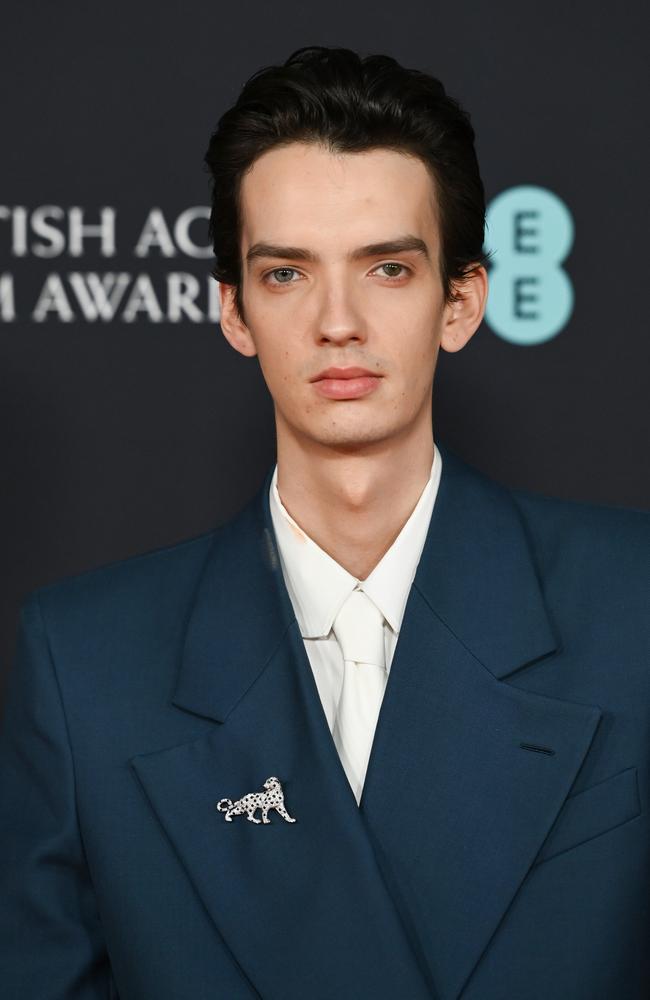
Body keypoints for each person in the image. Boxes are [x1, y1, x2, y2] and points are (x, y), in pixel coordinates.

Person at [0, 44, 647, 1000]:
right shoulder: (85, 661)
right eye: (288, 274)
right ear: (233, 310)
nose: (338, 321)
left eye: (387, 268)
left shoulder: (633, 608)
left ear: (460, 300)